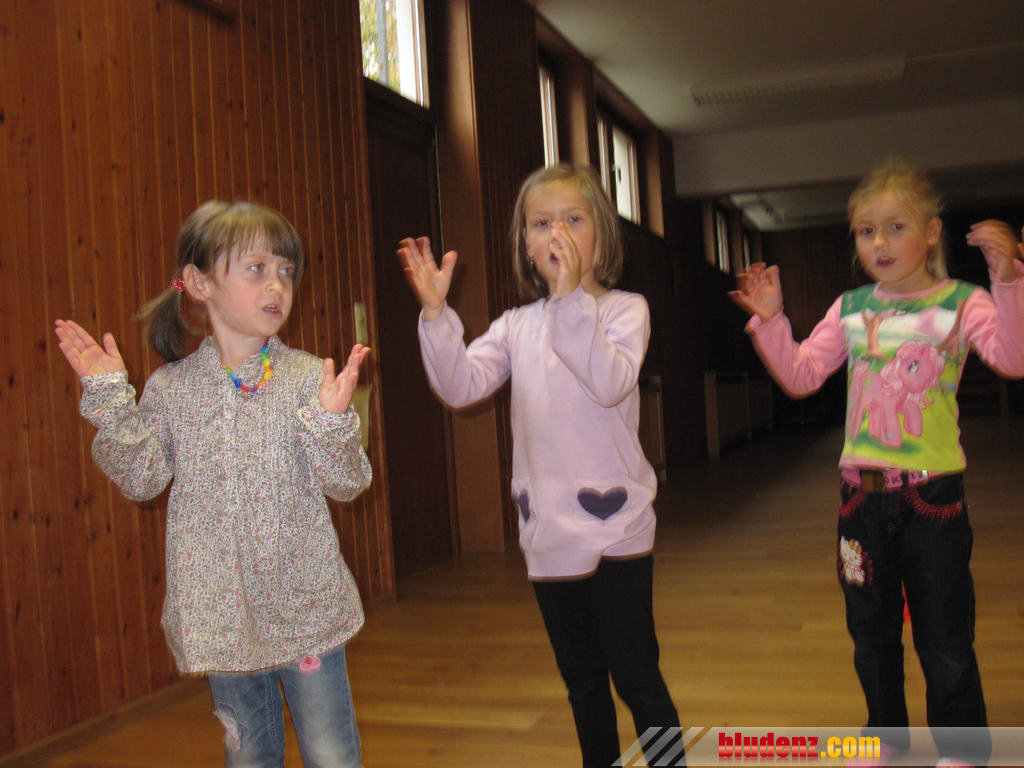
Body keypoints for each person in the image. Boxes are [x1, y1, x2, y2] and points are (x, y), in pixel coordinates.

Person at [55, 200, 372, 768]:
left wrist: (331, 426)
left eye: (286, 271)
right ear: (200, 283)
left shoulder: (307, 377)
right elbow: (142, 479)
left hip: (307, 614)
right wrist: (112, 404)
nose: (277, 284)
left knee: (332, 756)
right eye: (256, 268)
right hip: (223, 623)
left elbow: (347, 483)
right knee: (248, 757)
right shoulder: (172, 389)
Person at [730, 159, 1024, 766]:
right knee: (871, 634)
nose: (880, 243)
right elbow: (801, 375)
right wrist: (771, 320)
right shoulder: (851, 306)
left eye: (896, 227)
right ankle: (886, 737)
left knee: (944, 636)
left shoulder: (963, 302)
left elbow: (1013, 358)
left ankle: (962, 748)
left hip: (933, 500)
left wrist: (1010, 282)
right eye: (867, 232)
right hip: (860, 503)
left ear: (932, 232)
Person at [398, 164, 682, 768]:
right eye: (540, 223)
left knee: (637, 677)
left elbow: (608, 382)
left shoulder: (625, 311)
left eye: (573, 219)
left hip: (618, 530)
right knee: (583, 682)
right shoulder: (515, 326)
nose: (556, 233)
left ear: (600, 235)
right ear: (525, 244)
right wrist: (437, 316)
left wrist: (571, 301)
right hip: (548, 534)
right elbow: (460, 385)